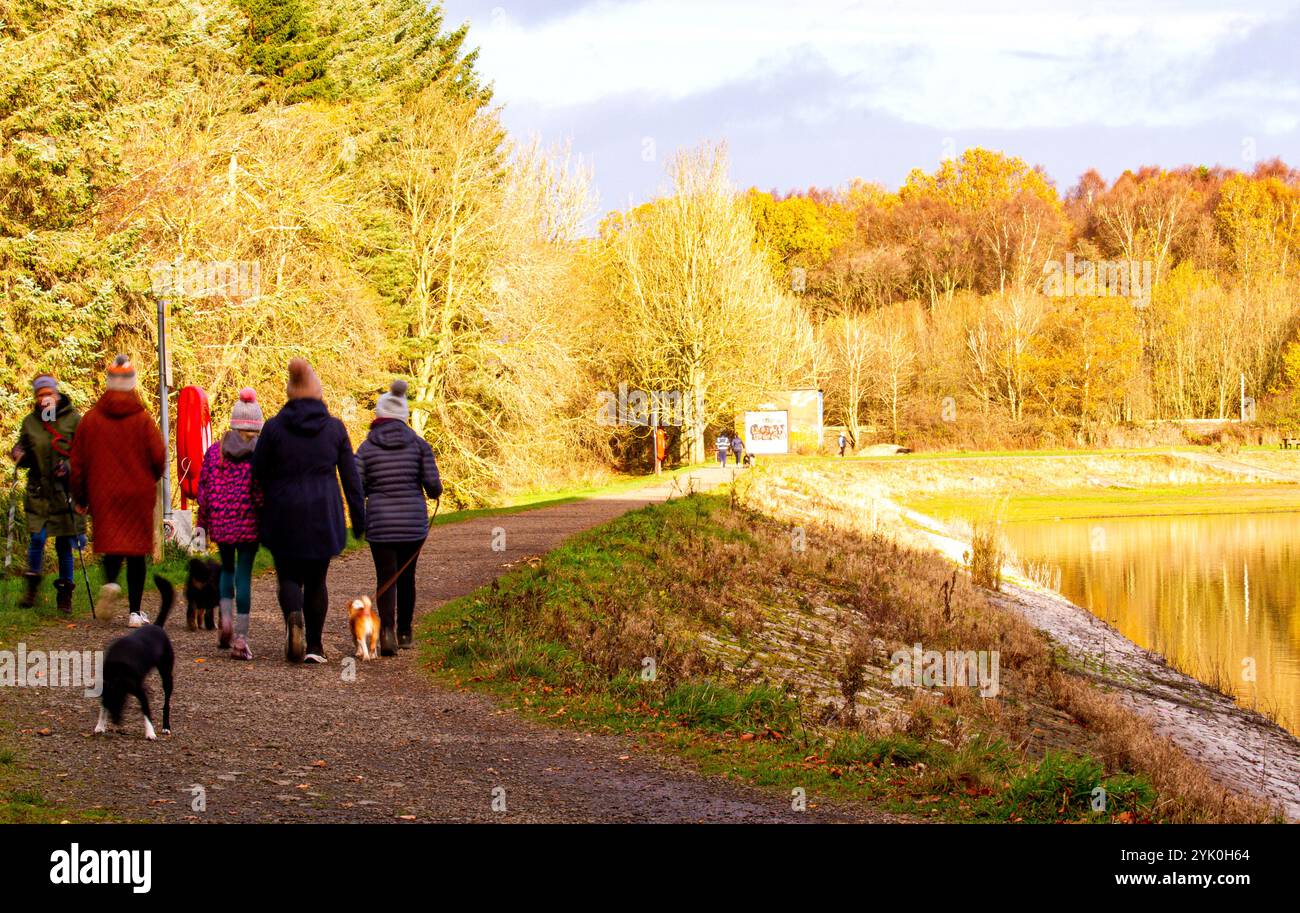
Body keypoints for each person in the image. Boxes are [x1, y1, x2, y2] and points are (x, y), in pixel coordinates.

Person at [253, 359, 364, 664]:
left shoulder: (273, 427)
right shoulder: (335, 428)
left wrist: (263, 505)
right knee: (317, 580)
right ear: (318, 392)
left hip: (283, 512)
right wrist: (358, 520)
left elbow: (258, 472)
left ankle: (293, 615)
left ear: (290, 392)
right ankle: (314, 647)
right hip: (322, 512)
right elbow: (350, 477)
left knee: (288, 575)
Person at [70, 355, 166, 627]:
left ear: (109, 383)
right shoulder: (143, 420)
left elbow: (77, 462)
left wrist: (80, 497)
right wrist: (152, 477)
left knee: (112, 544)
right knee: (136, 552)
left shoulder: (90, 420)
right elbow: (158, 457)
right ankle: (135, 612)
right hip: (137, 493)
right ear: (131, 385)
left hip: (104, 494)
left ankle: (111, 583)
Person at [355, 380, 442, 656]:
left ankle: (388, 633)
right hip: (412, 524)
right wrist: (433, 489)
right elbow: (433, 487)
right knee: (407, 577)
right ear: (404, 416)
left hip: (380, 522)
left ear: (379, 417)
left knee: (386, 578)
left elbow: (357, 487)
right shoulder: (419, 445)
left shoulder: (366, 448)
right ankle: (405, 631)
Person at [197, 387, 265, 660]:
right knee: (244, 575)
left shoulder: (215, 452)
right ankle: (241, 637)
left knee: (226, 569)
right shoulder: (260, 455)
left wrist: (203, 522)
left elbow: (204, 491)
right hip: (249, 524)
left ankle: (224, 620)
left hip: (221, 524)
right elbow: (261, 494)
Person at [8, 374, 85, 613]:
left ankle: (64, 597)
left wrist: (68, 468)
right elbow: (27, 452)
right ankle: (32, 589)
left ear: (56, 394)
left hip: (64, 493)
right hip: (39, 493)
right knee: (37, 538)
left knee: (64, 544)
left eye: (47, 394)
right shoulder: (30, 422)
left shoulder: (73, 420)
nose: (44, 399)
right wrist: (19, 455)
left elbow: (84, 455)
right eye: (39, 395)